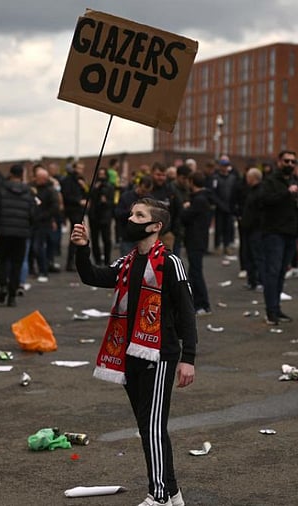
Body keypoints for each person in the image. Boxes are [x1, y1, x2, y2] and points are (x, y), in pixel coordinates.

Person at [70, 197, 196, 506]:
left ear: (156, 226)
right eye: (131, 213)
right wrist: (82, 247)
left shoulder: (170, 263)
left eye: (139, 215)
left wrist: (188, 359)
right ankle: (173, 493)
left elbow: (187, 312)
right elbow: (92, 276)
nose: (131, 218)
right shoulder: (126, 263)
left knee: (152, 426)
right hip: (129, 355)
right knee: (147, 427)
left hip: (160, 356)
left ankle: (159, 496)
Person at [260, 150, 298, 325]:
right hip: (274, 232)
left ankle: (276, 309)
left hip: (290, 233)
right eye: (287, 161)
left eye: (293, 161)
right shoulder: (270, 181)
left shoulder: (293, 181)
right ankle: (271, 311)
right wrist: (287, 193)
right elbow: (266, 201)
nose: (290, 164)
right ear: (279, 162)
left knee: (282, 273)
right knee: (273, 272)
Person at [0, 165, 35, 307]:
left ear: (10, 174)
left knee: (2, 261)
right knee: (17, 264)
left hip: (3, 232)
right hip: (21, 233)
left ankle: (3, 285)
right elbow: (33, 214)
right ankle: (12, 295)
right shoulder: (28, 192)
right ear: (22, 174)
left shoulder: (1, 190)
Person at [181, 172, 213, 315]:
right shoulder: (202, 198)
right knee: (193, 272)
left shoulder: (199, 200)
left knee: (196, 272)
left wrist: (185, 208)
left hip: (196, 239)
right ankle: (195, 303)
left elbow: (186, 217)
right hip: (197, 239)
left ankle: (203, 304)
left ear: (192, 182)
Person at [31, 167, 58, 283]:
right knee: (33, 248)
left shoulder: (50, 190)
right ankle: (34, 269)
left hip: (43, 223)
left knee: (38, 247)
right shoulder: (31, 188)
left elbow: (54, 207)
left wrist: (44, 216)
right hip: (32, 222)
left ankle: (43, 270)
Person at [60, 162, 89, 271]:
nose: (81, 170)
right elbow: (66, 195)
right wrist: (78, 201)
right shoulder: (68, 180)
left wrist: (84, 187)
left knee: (78, 234)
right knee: (75, 234)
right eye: (80, 168)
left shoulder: (80, 180)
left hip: (79, 210)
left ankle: (74, 261)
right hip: (73, 210)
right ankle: (70, 262)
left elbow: (86, 193)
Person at [88, 167, 115, 266]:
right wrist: (95, 189)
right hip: (94, 215)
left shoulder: (110, 186)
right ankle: (97, 259)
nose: (101, 176)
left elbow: (112, 202)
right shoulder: (94, 186)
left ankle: (107, 259)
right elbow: (89, 197)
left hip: (105, 215)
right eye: (100, 174)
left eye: (103, 174)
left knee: (106, 239)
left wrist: (106, 201)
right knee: (94, 239)